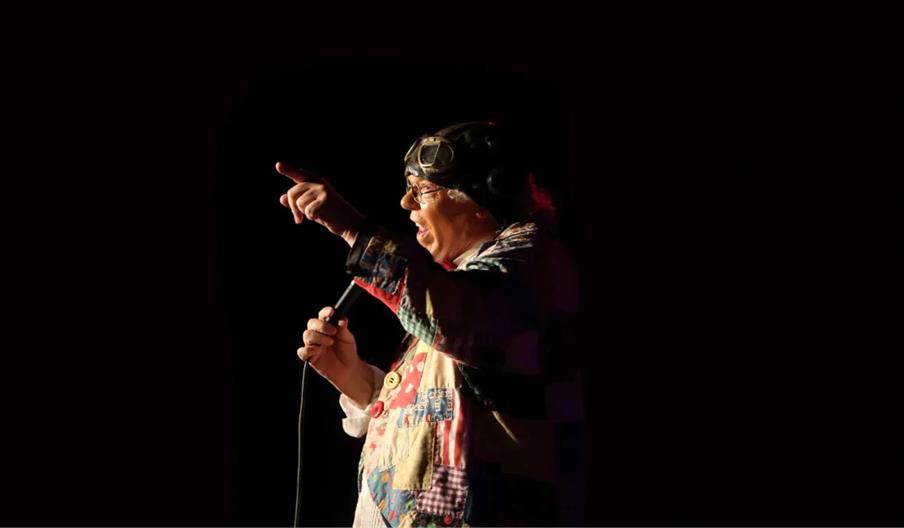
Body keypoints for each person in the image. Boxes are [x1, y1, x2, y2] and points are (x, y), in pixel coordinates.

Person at [277, 121, 584, 527]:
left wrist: (354, 230)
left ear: (481, 196)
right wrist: (355, 379)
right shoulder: (465, 282)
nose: (406, 203)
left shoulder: (532, 263)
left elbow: (464, 320)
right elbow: (443, 416)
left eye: (422, 190)